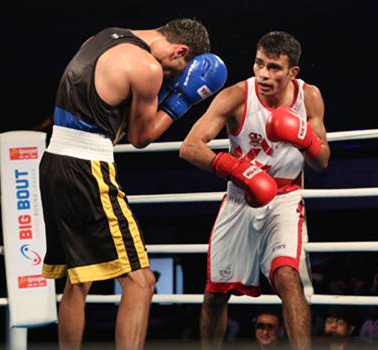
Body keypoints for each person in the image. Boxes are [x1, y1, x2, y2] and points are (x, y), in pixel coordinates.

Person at [39, 19, 226, 350]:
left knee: (78, 279)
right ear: (180, 50)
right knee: (141, 281)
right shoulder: (148, 68)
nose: (170, 77)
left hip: (53, 161)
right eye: (177, 70)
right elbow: (141, 138)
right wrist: (180, 98)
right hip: (87, 168)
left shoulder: (100, 37)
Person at [179, 31, 330, 350]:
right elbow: (191, 147)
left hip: (286, 199)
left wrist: (305, 139)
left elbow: (322, 161)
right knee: (216, 294)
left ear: (293, 73)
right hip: (239, 199)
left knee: (289, 278)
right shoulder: (236, 96)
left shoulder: (310, 97)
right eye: (259, 63)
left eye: (274, 67)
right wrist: (238, 169)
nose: (263, 73)